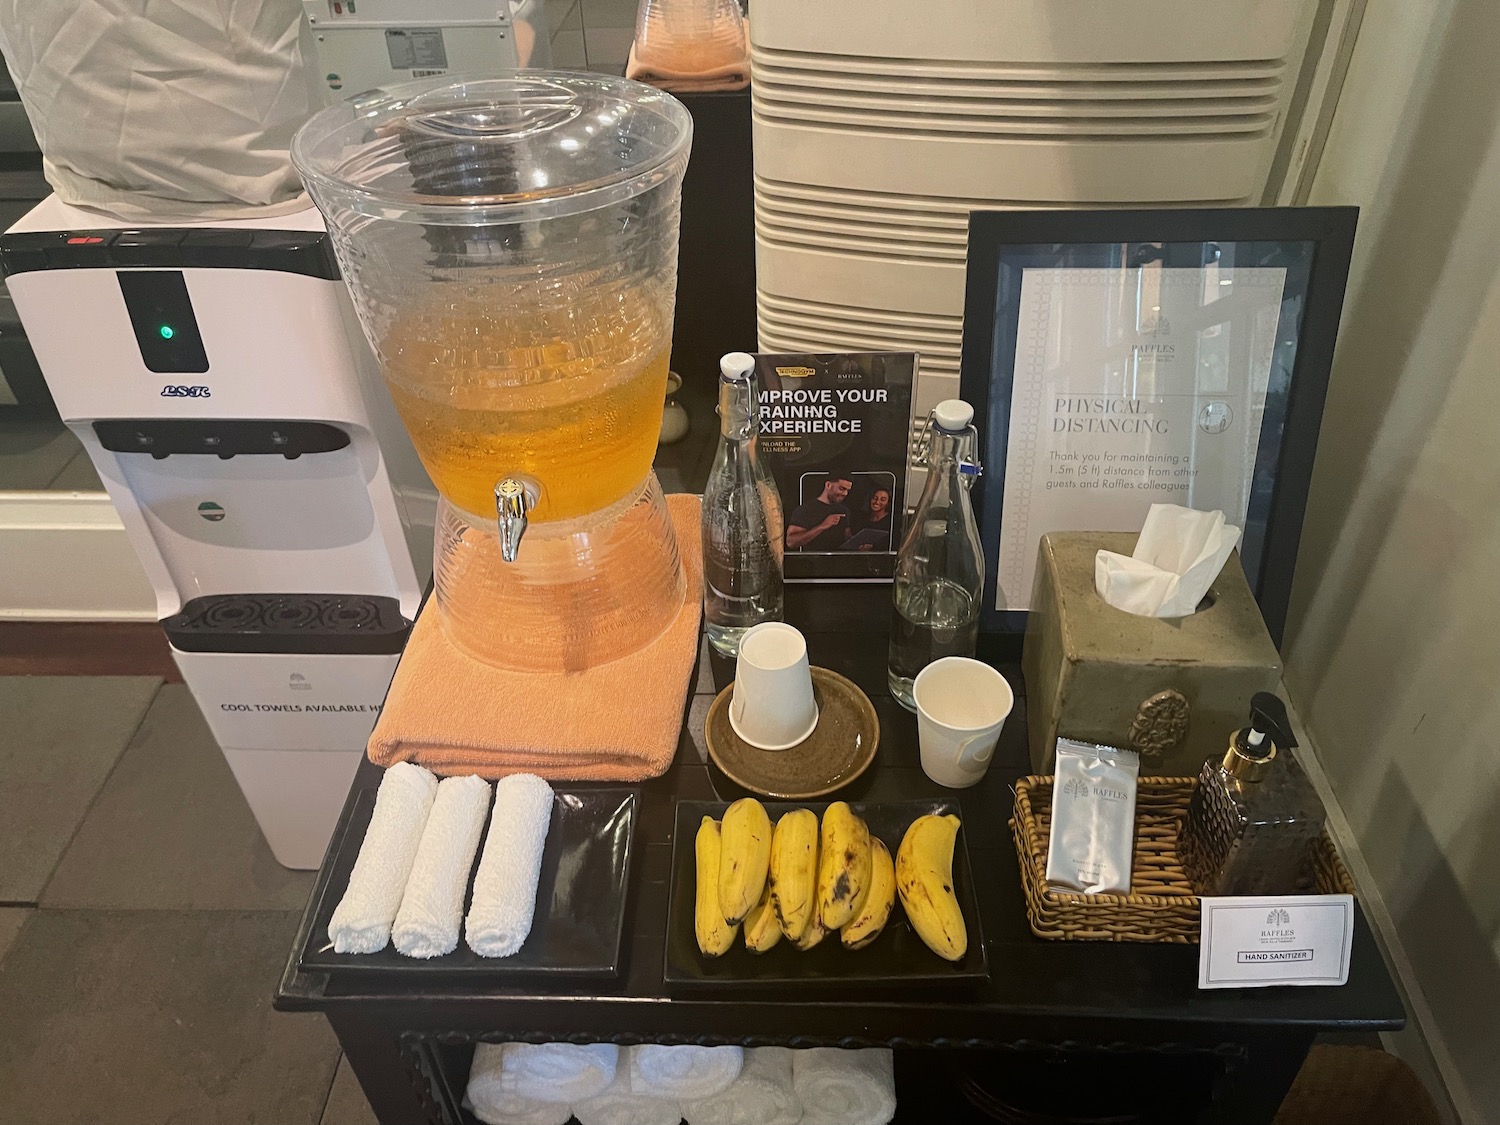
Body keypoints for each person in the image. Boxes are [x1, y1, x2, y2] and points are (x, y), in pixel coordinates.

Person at [786, 472, 853, 550]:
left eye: (847, 490)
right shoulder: (806, 509)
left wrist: (859, 545)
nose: (845, 493)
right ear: (828, 485)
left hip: (840, 560)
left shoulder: (843, 510)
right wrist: (822, 526)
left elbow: (847, 537)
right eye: (842, 489)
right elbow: (791, 542)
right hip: (811, 560)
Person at [840, 486, 892, 551]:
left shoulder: (892, 520)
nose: (877, 502)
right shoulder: (861, 518)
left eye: (883, 499)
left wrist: (873, 546)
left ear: (888, 503)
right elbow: (852, 538)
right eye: (875, 498)